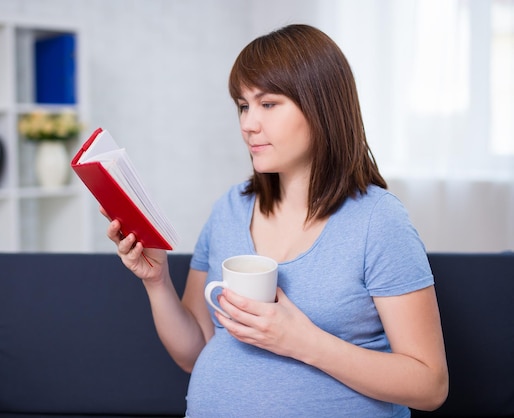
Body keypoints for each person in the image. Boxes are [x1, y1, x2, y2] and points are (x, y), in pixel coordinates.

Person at [103, 23, 448, 417]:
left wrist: (300, 341)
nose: (249, 124)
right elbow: (193, 351)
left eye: (268, 104)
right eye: (243, 105)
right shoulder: (229, 209)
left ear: (321, 107)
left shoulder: (378, 220)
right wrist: (157, 282)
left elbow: (430, 385)